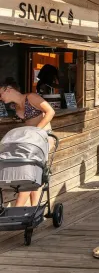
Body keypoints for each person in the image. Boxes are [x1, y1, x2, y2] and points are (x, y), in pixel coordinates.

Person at [0, 78, 55, 206]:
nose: (0, 98)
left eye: (0, 94)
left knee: (29, 172)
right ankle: (34, 209)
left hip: (44, 137)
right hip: (30, 141)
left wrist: (36, 131)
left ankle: (19, 208)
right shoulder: (15, 106)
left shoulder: (31, 97)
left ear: (8, 89)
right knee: (33, 172)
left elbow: (50, 112)